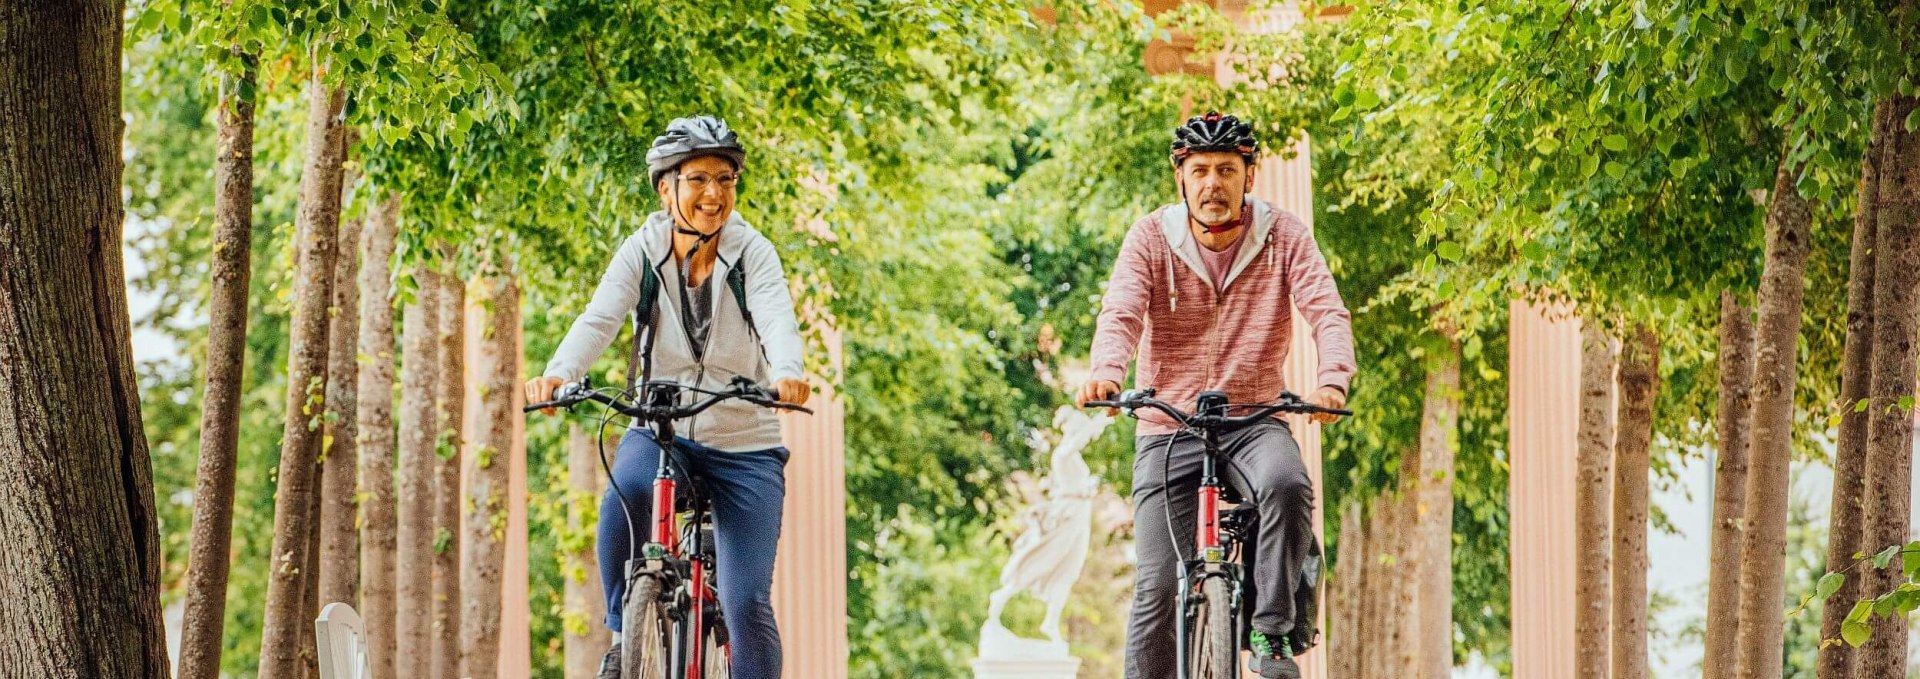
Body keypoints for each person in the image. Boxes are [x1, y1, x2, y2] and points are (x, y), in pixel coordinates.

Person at [1075, 111, 1356, 679]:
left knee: (1287, 482)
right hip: (1168, 421)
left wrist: (1332, 380)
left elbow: (1326, 310)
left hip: (1254, 417)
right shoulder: (1152, 237)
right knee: (1156, 584)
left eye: (1227, 169)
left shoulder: (1283, 236)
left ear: (1249, 176)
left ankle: (1271, 635)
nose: (1212, 184)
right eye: (1199, 170)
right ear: (1181, 177)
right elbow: (1122, 311)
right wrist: (1107, 371)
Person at [524, 115, 808, 679]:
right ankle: (623, 635)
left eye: (725, 180)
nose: (713, 194)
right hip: (662, 426)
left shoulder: (753, 253)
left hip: (745, 440)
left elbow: (777, 316)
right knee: (625, 490)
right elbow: (599, 317)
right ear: (666, 187)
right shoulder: (643, 250)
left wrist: (787, 371)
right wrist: (559, 373)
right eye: (698, 179)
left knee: (746, 601)